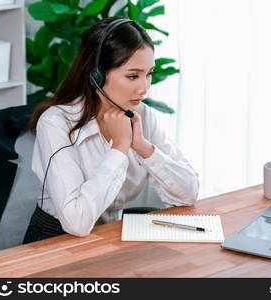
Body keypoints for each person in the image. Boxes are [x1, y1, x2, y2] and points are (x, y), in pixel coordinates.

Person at [23, 17, 199, 243]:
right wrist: (119, 148)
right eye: (133, 76)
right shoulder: (56, 123)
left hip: (108, 236)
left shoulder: (142, 115)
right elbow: (77, 222)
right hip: (54, 241)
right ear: (96, 75)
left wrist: (144, 148)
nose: (144, 88)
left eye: (149, 74)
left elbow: (188, 194)